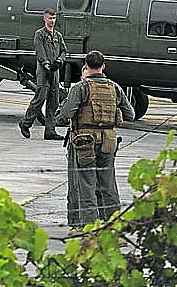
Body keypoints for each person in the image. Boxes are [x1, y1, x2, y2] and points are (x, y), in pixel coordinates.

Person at [54, 50, 134, 231]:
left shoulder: (81, 88)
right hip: (108, 141)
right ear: (103, 67)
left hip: (84, 143)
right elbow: (130, 114)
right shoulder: (114, 87)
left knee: (84, 185)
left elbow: (64, 115)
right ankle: (112, 226)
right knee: (108, 185)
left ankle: (85, 228)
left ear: (85, 67)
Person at [19, 10, 68, 140]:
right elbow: (39, 51)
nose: (52, 20)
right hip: (43, 71)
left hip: (55, 71)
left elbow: (64, 51)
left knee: (53, 101)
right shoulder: (39, 34)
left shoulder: (58, 35)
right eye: (50, 18)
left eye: (54, 18)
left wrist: (59, 61)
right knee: (40, 98)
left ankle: (50, 131)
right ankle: (25, 123)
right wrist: (45, 63)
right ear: (44, 19)